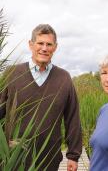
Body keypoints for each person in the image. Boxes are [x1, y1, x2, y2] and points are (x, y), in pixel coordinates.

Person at [0, 24, 82, 171]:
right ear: (31, 45)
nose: (44, 48)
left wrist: (73, 155)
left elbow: (73, 118)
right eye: (40, 43)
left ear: (55, 47)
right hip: (15, 158)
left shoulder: (64, 78)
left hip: (49, 158)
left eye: (49, 44)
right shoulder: (12, 74)